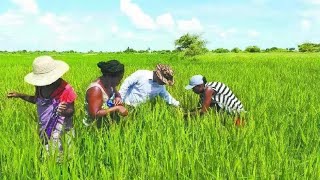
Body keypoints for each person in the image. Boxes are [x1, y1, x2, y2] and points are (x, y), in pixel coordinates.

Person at [7, 56, 77, 152]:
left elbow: (71, 111)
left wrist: (64, 111)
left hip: (61, 131)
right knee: (47, 157)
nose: (45, 83)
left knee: (60, 158)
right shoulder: (40, 86)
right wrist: (20, 95)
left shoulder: (66, 89)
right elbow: (37, 100)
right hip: (44, 129)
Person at [83, 60, 128, 128]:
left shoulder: (110, 84)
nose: (120, 81)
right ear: (109, 76)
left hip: (107, 125)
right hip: (95, 129)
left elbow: (116, 94)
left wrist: (118, 97)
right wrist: (117, 108)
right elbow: (95, 114)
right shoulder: (96, 89)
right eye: (119, 78)